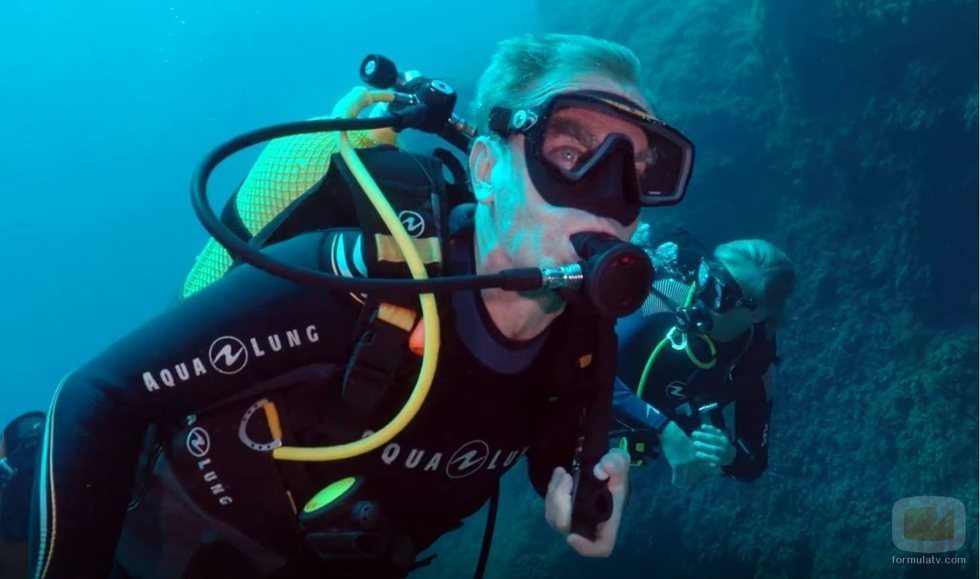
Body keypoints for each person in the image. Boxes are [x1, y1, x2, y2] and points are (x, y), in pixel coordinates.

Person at [28, 33, 697, 579]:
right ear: (487, 168)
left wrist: (578, 492)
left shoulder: (579, 341)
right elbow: (100, 395)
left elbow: (557, 445)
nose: (611, 197)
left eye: (636, 172)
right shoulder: (356, 284)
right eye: (572, 151)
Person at [611, 225, 795, 488]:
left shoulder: (753, 356)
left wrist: (727, 455)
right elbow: (586, 370)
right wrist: (666, 429)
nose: (702, 294)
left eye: (720, 293)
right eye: (707, 273)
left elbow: (753, 464)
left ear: (757, 313)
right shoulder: (662, 295)